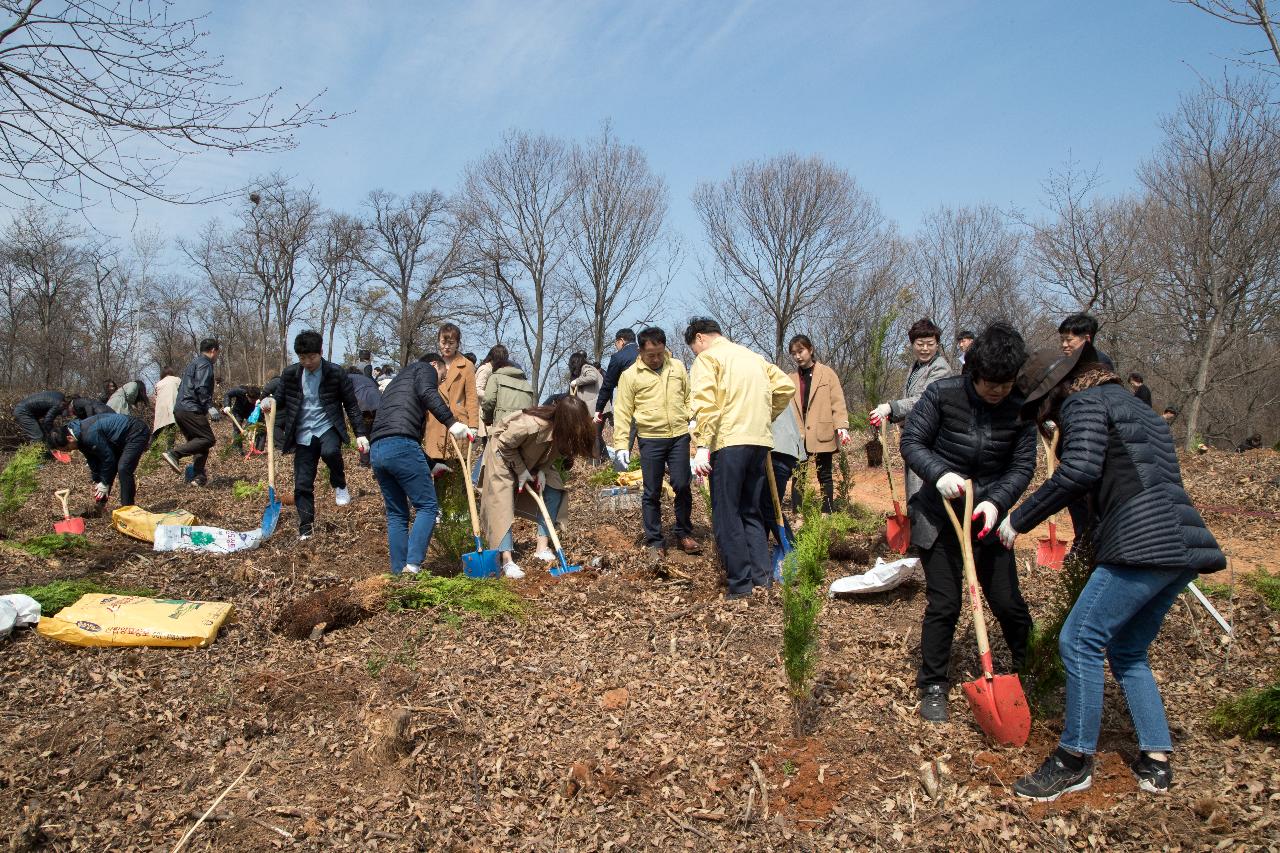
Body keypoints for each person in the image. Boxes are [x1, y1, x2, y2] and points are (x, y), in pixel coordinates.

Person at [998, 343, 1225, 802]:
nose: (1045, 417)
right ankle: (1157, 757)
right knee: (1127, 650)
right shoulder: (1132, 406)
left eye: (1042, 406)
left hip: (1142, 543)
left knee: (1079, 639)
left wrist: (1017, 520)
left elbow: (1079, 470)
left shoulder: (1082, 404)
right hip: (1182, 545)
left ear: (1057, 390)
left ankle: (1073, 759)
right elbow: (1121, 474)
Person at [899, 323, 1036, 722]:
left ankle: (1033, 669)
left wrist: (997, 502)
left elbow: (1022, 464)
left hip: (984, 516)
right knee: (945, 602)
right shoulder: (943, 394)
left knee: (1007, 602)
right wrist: (939, 473)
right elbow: (912, 443)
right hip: (939, 515)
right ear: (972, 372)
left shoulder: (1020, 407)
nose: (996, 391)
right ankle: (934, 684)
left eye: (1004, 384)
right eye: (989, 383)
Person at [686, 318, 795, 601]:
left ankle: (740, 585)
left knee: (727, 514)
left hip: (728, 442)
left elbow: (704, 403)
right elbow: (785, 387)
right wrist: (763, 415)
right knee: (751, 511)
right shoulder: (753, 357)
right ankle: (762, 579)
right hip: (759, 441)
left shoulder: (708, 359)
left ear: (700, 339)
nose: (696, 355)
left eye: (694, 350)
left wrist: (701, 445)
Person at [369, 354, 476, 575]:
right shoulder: (424, 369)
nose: (438, 383)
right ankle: (413, 565)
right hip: (401, 446)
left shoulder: (397, 383)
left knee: (397, 514)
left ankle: (399, 573)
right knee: (427, 507)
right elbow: (427, 395)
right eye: (441, 377)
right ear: (435, 364)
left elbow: (402, 432)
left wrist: (430, 465)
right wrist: (452, 423)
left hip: (378, 450)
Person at [258, 331, 368, 541]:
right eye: (302, 358)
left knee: (330, 451)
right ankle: (306, 527)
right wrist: (268, 402)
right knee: (302, 483)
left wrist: (360, 433)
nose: (307, 362)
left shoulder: (335, 373)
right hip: (302, 433)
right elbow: (279, 399)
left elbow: (351, 405)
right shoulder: (290, 374)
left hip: (327, 426)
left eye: (311, 357)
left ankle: (340, 483)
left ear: (321, 352)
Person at [479, 395, 595, 579]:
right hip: (502, 454)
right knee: (502, 501)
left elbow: (548, 453)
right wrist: (522, 471)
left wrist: (541, 470)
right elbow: (504, 444)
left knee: (555, 487)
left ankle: (542, 547)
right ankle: (506, 559)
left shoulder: (564, 433)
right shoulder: (530, 425)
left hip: (531, 458)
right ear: (566, 422)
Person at [612, 327, 701, 558]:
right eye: (651, 354)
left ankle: (684, 533)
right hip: (650, 439)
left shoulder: (678, 367)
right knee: (651, 491)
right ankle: (655, 540)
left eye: (660, 353)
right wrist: (622, 445)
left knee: (682, 484)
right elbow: (622, 411)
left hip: (678, 436)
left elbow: (689, 395)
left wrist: (691, 416)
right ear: (641, 351)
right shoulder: (630, 376)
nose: (656, 358)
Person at [868, 318, 953, 507]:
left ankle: (923, 530)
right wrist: (893, 415)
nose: (924, 349)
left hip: (931, 439)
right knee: (913, 488)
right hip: (915, 435)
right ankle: (915, 526)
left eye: (930, 344)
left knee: (923, 490)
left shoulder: (940, 367)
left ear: (937, 344)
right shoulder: (916, 366)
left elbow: (924, 400)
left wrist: (892, 407)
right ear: (912, 344)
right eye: (919, 344)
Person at [787, 334, 851, 514]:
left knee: (825, 475)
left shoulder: (827, 373)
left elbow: (837, 402)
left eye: (801, 351)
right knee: (799, 476)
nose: (798, 356)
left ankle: (827, 513)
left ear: (810, 350)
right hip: (799, 435)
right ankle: (798, 515)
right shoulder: (790, 379)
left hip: (822, 431)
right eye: (794, 353)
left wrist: (842, 426)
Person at [48, 412, 150, 508]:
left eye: (67, 449)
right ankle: (99, 508)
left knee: (123, 468)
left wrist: (104, 482)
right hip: (116, 439)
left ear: (70, 438)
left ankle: (128, 508)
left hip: (136, 432)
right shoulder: (78, 436)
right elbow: (93, 459)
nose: (69, 451)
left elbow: (108, 459)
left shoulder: (88, 435)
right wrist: (98, 481)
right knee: (106, 474)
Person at [163, 338, 222, 486]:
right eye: (217, 353)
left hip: (181, 409)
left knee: (200, 443)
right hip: (191, 408)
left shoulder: (194, 363)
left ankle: (198, 477)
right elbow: (201, 387)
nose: (217, 356)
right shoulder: (205, 364)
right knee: (208, 439)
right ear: (213, 350)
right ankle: (174, 453)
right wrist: (209, 406)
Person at [423, 323, 478, 467]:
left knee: (458, 471)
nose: (446, 347)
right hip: (435, 421)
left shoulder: (467, 365)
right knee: (435, 468)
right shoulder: (431, 364)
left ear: (458, 344)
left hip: (459, 421)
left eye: (451, 343)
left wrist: (473, 425)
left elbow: (472, 397)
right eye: (443, 342)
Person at [765, 404, 806, 573]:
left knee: (769, 507)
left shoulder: (764, 378)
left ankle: (792, 552)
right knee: (767, 506)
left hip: (776, 448)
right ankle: (763, 553)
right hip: (786, 448)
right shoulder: (777, 378)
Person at [593, 328, 638, 429]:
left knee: (624, 441)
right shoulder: (647, 354)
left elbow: (608, 385)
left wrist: (599, 409)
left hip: (628, 406)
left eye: (616, 344)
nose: (616, 347)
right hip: (650, 408)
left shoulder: (618, 357)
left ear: (621, 341)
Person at [568, 351, 605, 460]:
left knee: (594, 436)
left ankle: (595, 462)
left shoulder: (586, 367)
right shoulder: (586, 368)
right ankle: (606, 459)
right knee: (597, 435)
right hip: (596, 407)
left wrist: (576, 381)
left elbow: (592, 377)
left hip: (596, 408)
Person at [481, 354, 536, 428]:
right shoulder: (526, 384)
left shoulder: (495, 377)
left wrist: (487, 419)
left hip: (504, 426)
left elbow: (489, 400)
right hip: (525, 427)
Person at [347, 367, 382, 467]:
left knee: (363, 434)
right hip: (379, 403)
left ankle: (365, 462)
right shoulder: (367, 378)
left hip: (362, 404)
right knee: (376, 433)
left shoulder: (348, 377)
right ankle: (377, 460)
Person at [223, 384, 264, 453]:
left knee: (261, 427)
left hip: (252, 412)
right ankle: (237, 449)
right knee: (237, 429)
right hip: (238, 411)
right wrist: (227, 405)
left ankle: (259, 449)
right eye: (252, 400)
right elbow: (228, 394)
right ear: (247, 396)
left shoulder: (259, 396)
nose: (254, 402)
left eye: (256, 400)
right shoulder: (240, 391)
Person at [151, 368, 181, 450]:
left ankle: (152, 449)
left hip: (160, 408)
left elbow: (154, 398)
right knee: (171, 428)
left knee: (157, 429)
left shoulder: (159, 383)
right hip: (172, 405)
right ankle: (169, 450)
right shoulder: (177, 380)